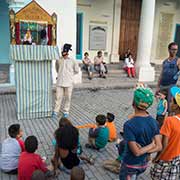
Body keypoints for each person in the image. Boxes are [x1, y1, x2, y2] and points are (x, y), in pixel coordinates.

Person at [119, 86, 162, 180]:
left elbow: (137, 152)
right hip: (143, 165)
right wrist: (150, 146)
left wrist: (148, 147)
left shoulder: (129, 125)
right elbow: (159, 146)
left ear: (133, 103)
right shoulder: (154, 122)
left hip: (130, 166)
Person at [151, 86, 180, 180]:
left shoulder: (170, 121)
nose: (170, 103)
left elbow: (164, 144)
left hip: (165, 157)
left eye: (171, 101)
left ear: (176, 106)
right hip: (176, 158)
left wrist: (157, 157)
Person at [52, 43, 79, 119]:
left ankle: (66, 111)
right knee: (58, 97)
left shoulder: (73, 61)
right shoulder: (58, 60)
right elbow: (57, 69)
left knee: (68, 97)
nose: (64, 54)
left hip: (69, 82)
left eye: (65, 53)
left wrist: (70, 75)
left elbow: (76, 70)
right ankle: (55, 111)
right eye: (62, 53)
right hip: (60, 81)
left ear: (67, 53)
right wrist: (60, 74)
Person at [156, 42, 180, 113]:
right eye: (173, 49)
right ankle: (159, 123)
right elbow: (161, 75)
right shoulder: (165, 61)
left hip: (171, 87)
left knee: (170, 108)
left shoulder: (178, 60)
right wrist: (158, 87)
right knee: (161, 107)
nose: (175, 51)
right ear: (169, 50)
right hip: (162, 87)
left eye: (176, 49)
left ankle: (170, 123)